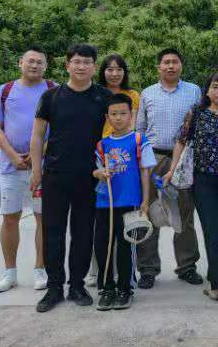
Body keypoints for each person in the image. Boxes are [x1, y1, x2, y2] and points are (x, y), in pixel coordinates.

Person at [31, 44, 111, 313]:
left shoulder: (103, 97)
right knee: (52, 232)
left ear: (94, 67)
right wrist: (36, 171)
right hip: (55, 174)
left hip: (90, 176)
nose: (81, 66)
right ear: (67, 65)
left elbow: (116, 133)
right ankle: (54, 287)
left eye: (87, 62)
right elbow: (37, 136)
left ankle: (77, 285)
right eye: (76, 61)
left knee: (83, 232)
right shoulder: (51, 97)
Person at [168, 72, 218, 312]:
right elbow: (181, 141)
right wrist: (171, 170)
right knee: (214, 231)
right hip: (204, 181)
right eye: (215, 87)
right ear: (207, 91)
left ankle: (216, 285)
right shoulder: (197, 113)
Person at [0, 46, 56, 293]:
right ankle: (9, 273)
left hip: (44, 168)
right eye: (30, 61)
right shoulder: (4, 91)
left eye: (40, 62)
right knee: (10, 217)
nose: (35, 65)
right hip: (10, 166)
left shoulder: (54, 90)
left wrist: (37, 154)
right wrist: (13, 156)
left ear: (46, 66)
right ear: (20, 63)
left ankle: (40, 270)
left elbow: (60, 127)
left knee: (43, 219)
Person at [134, 48, 204, 290]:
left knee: (184, 214)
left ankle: (187, 266)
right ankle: (148, 269)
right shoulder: (148, 93)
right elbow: (140, 129)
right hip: (153, 158)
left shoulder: (193, 91)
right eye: (166, 62)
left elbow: (199, 125)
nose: (171, 66)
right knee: (150, 212)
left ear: (181, 66)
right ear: (159, 67)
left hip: (183, 160)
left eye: (175, 62)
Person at [91, 94, 154, 311]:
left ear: (131, 115)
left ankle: (125, 289)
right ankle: (106, 288)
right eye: (114, 114)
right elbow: (95, 170)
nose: (118, 118)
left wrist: (145, 200)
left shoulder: (139, 140)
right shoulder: (102, 145)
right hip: (105, 203)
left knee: (126, 247)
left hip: (129, 202)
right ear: (107, 117)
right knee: (103, 245)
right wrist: (99, 173)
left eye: (123, 113)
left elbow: (145, 171)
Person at [98, 54, 140, 137]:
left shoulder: (133, 95)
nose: (114, 74)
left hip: (124, 142)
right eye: (110, 70)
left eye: (119, 69)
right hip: (98, 143)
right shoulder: (96, 94)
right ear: (103, 72)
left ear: (124, 72)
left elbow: (132, 124)